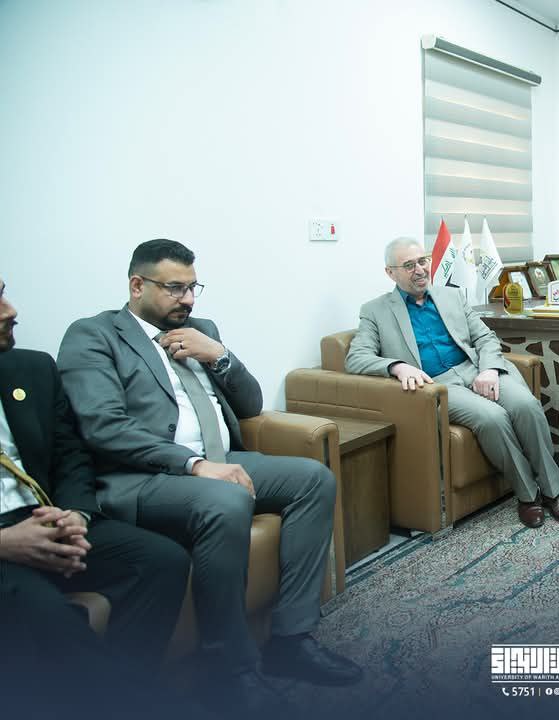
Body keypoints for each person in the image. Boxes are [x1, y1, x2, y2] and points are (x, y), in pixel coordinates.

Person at [56, 240, 360, 714]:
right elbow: (103, 427)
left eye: (193, 287)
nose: (188, 299)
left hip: (220, 457)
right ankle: (227, 665)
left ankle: (291, 638)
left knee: (312, 479)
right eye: (174, 288)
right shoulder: (94, 335)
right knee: (226, 499)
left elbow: (250, 404)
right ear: (137, 285)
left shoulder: (201, 330)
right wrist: (193, 465)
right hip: (144, 477)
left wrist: (219, 355)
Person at [0, 277, 192, 717]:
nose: (11, 310)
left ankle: (126, 696)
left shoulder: (31, 369)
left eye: (3, 293)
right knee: (39, 611)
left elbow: (70, 454)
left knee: (162, 560)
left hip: (47, 513)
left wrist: (76, 514)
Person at [346, 237, 559, 529]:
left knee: (526, 406)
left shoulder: (451, 296)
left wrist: (489, 369)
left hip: (476, 369)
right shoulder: (375, 311)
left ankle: (554, 491)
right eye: (409, 265)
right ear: (390, 273)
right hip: (439, 385)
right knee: (492, 418)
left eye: (422, 261)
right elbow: (356, 358)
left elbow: (485, 337)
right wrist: (396, 366)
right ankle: (528, 495)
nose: (419, 270)